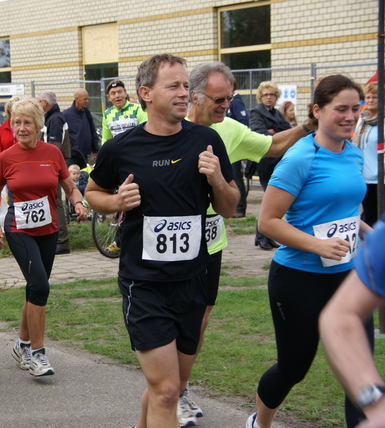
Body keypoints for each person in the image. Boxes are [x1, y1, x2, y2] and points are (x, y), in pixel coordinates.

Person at [86, 53, 239, 428]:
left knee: (170, 386)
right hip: (145, 283)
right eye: (174, 86)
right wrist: (116, 202)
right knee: (168, 389)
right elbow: (93, 192)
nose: (185, 93)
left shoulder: (206, 139)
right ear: (146, 94)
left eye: (187, 85)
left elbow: (229, 206)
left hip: (192, 281)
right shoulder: (122, 147)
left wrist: (217, 178)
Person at [181, 60, 319, 427]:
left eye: (230, 98)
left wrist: (306, 126)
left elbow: (273, 145)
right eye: (219, 99)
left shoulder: (228, 128)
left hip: (210, 243)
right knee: (173, 320)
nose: (227, 106)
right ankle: (168, 390)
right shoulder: (170, 127)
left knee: (201, 318)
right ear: (195, 96)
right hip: (172, 244)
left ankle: (179, 388)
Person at [246, 75, 370, 428]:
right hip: (299, 278)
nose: (350, 116)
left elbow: (347, 209)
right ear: (317, 110)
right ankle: (261, 422)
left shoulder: (354, 153)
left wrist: (369, 233)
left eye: (355, 108)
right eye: (340, 109)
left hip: (348, 276)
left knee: (360, 369)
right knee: (294, 367)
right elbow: (268, 221)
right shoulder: (300, 157)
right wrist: (318, 245)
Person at [0, 97, 87, 377]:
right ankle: (37, 354)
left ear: (38, 125)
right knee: (41, 286)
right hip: (19, 230)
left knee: (35, 288)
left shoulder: (52, 153)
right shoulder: (7, 157)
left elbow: (69, 186)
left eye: (27, 122)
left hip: (49, 229)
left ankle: (21, 343)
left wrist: (79, 203)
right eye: (16, 122)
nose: (21, 128)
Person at [320, 202, 385, 428]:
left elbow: (352, 210)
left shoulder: (355, 164)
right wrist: (377, 401)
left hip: (345, 261)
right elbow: (340, 317)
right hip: (304, 269)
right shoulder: (297, 165)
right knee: (293, 367)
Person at [250, 81, 292, 250]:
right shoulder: (256, 112)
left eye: (272, 95)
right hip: (266, 161)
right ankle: (262, 236)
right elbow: (259, 133)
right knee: (269, 199)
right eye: (266, 95)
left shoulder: (277, 114)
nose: (269, 98)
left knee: (273, 200)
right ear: (260, 97)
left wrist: (275, 131)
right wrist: (274, 132)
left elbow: (286, 130)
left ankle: (265, 236)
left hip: (279, 160)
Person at [352, 82, 385, 227]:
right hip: (364, 176)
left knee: (384, 219)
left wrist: (381, 169)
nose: (370, 100)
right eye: (368, 97)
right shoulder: (363, 119)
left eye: (375, 97)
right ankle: (369, 247)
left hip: (383, 179)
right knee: (369, 217)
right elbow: (357, 143)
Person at [37, 89, 72, 255]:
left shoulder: (55, 119)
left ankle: (62, 242)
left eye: (38, 101)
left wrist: (47, 166)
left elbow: (54, 147)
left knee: (56, 201)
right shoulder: (52, 117)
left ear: (45, 103)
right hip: (51, 165)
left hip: (53, 165)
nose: (37, 104)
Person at [226, 77, 250, 218]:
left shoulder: (235, 101)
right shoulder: (229, 101)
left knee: (236, 177)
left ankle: (239, 208)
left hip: (234, 145)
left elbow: (243, 121)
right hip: (228, 145)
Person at [100, 79, 148, 145]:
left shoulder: (138, 109)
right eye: (113, 93)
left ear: (125, 93)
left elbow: (146, 133)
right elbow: (106, 140)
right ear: (109, 97)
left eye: (120, 92)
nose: (117, 96)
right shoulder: (107, 114)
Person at [64, 88, 100, 162]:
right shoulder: (65, 115)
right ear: (77, 99)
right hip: (72, 157)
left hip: (86, 156)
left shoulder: (86, 113)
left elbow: (93, 131)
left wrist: (96, 150)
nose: (87, 101)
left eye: (88, 99)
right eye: (85, 99)